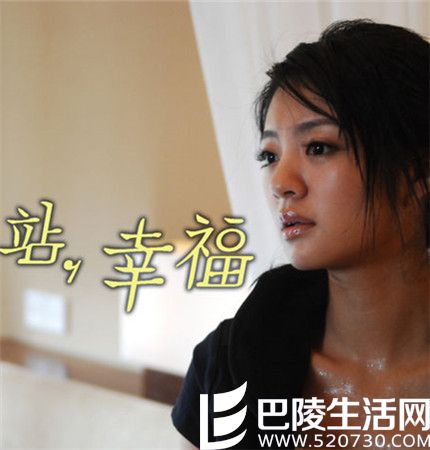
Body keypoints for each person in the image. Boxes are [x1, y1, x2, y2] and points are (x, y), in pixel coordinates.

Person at [171, 19, 429, 449]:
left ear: (416, 173)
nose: (280, 183)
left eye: (318, 147)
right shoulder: (229, 364)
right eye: (270, 155)